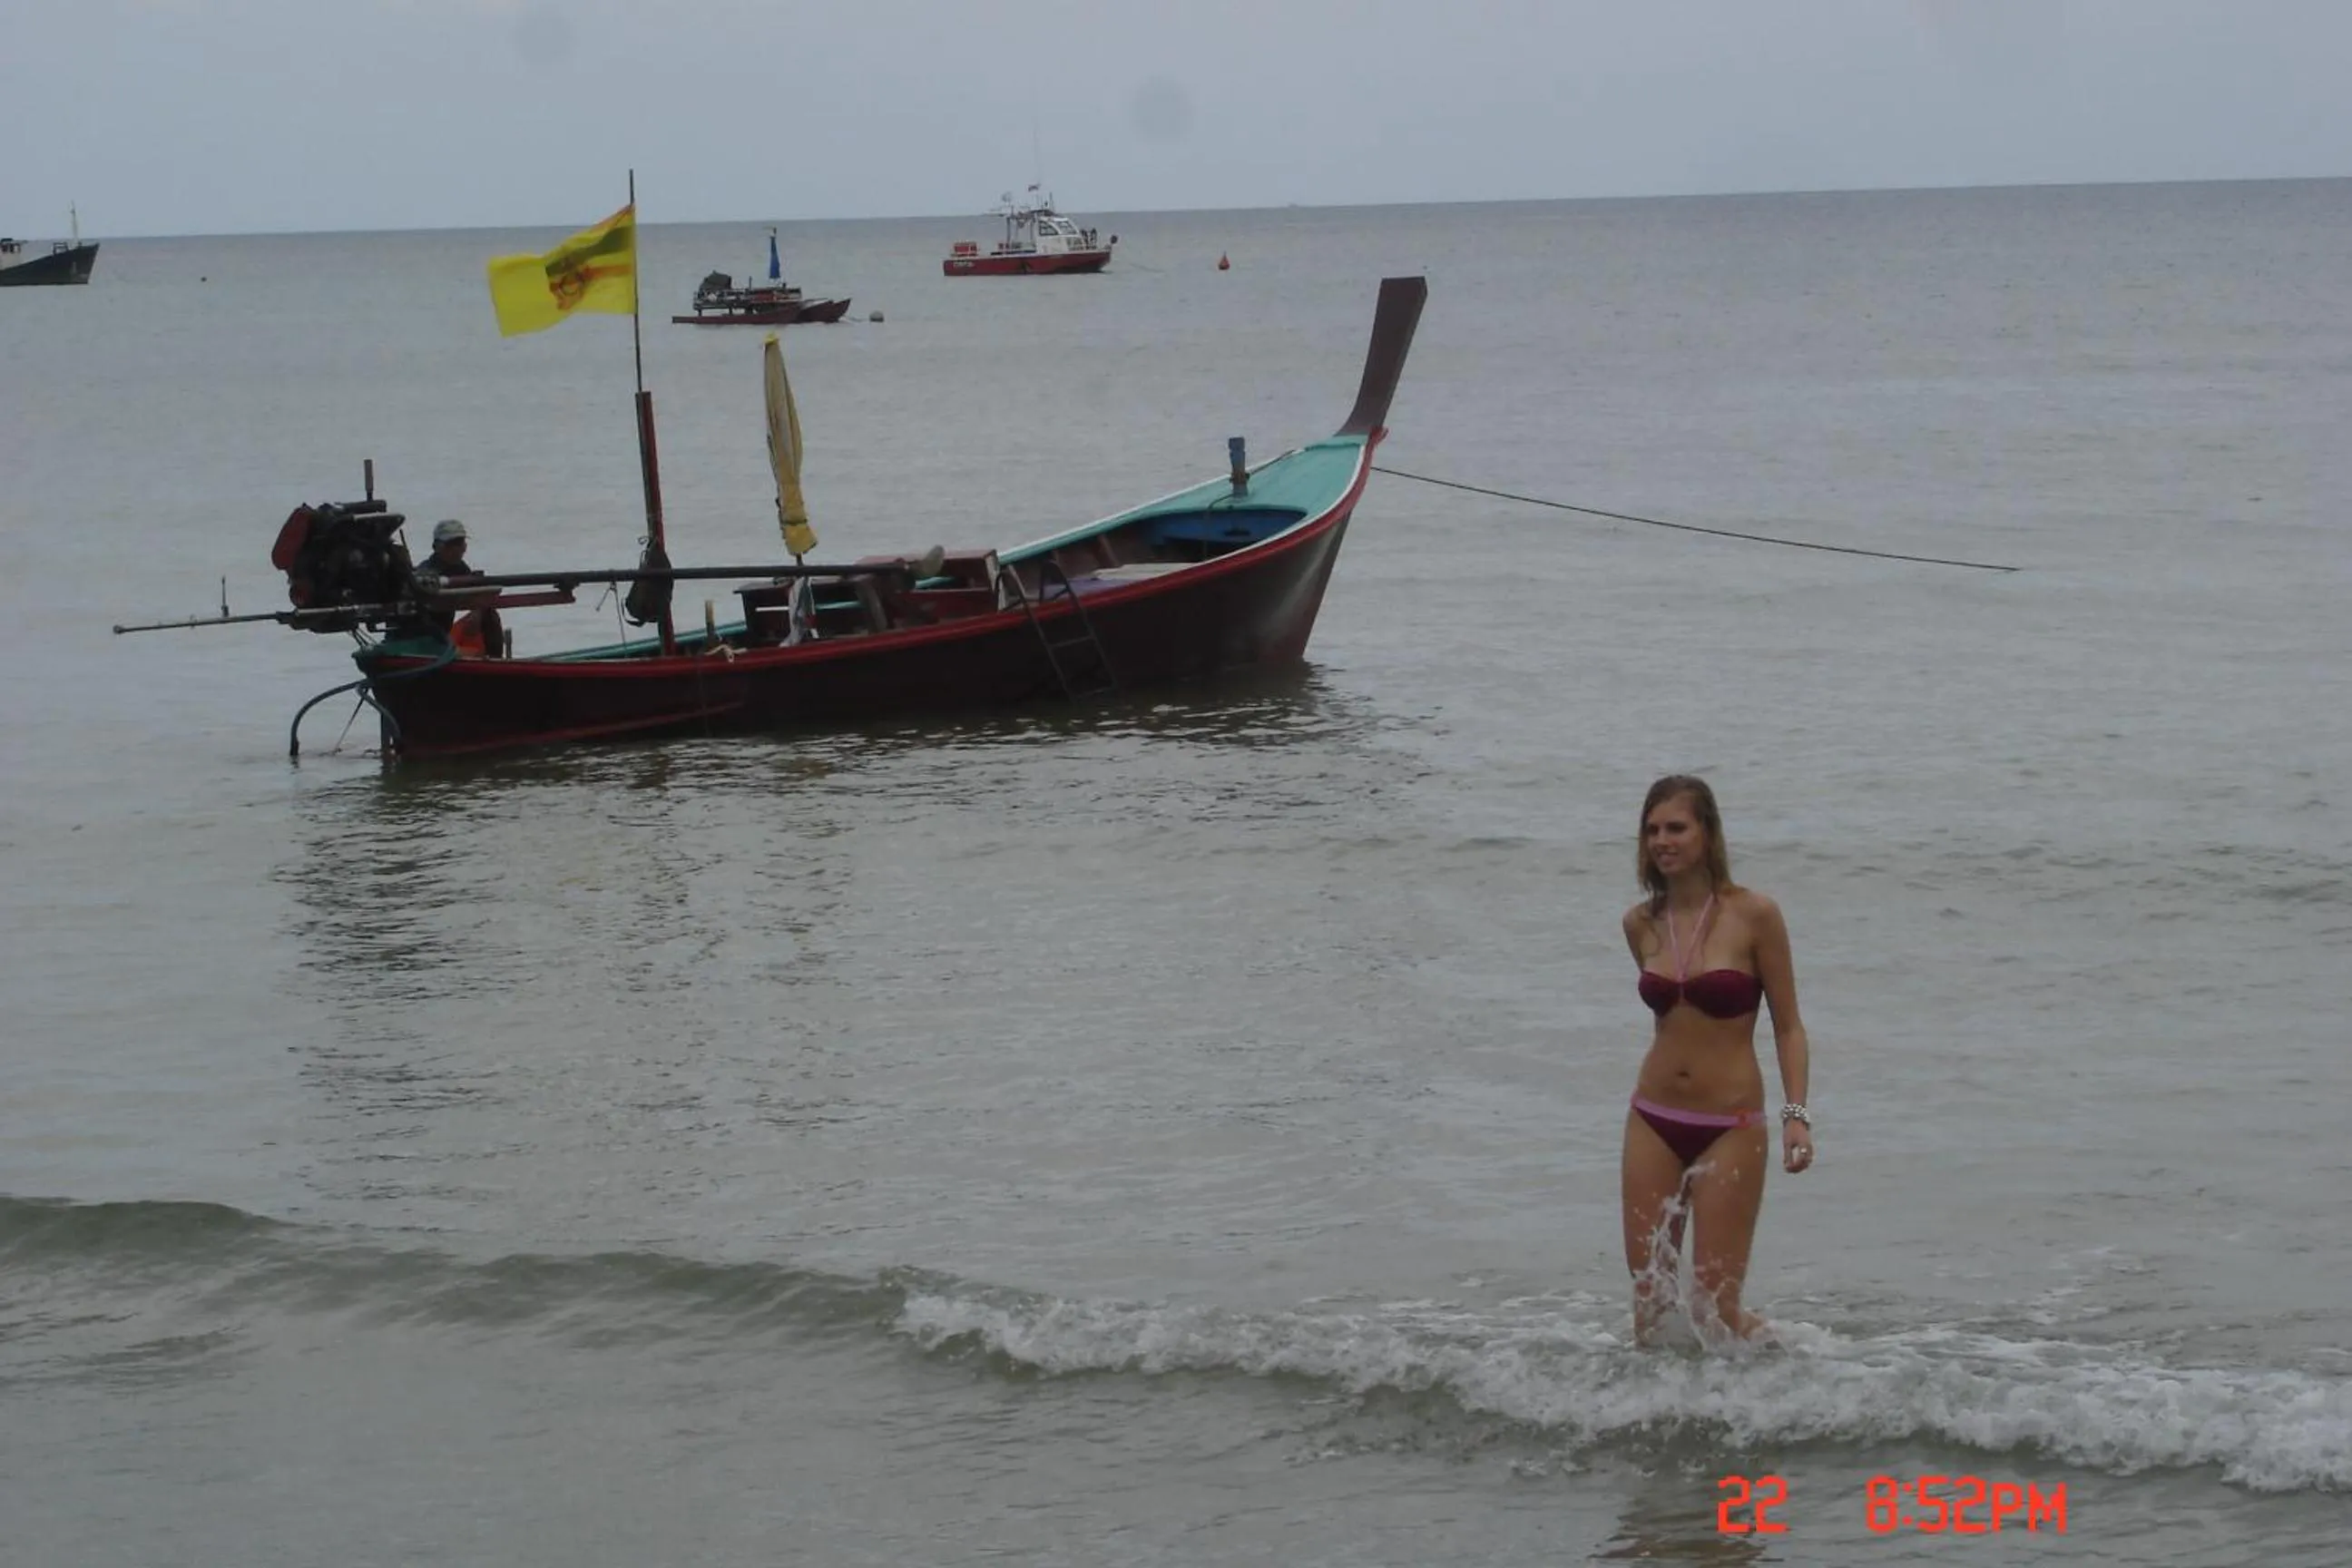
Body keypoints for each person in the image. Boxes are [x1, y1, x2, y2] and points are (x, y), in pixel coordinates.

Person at [1618, 774, 1812, 1346]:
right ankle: (1659, 1423)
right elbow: (1669, 1021)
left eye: (1676, 827)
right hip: (1652, 1118)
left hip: (1729, 1125)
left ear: (1708, 833)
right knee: (1650, 1306)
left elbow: (1789, 1026)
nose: (1662, 840)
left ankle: (1791, 1364)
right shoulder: (1640, 923)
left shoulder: (1754, 915)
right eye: (1652, 830)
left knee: (1714, 1310)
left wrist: (1796, 1113)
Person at [407, 517, 504, 657]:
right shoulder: (427, 571)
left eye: (461, 543)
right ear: (437, 546)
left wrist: (478, 611)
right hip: (426, 637)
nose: (458, 549)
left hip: (445, 634)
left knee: (489, 614)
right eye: (452, 544)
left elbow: (480, 591)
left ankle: (496, 662)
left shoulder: (460, 568)